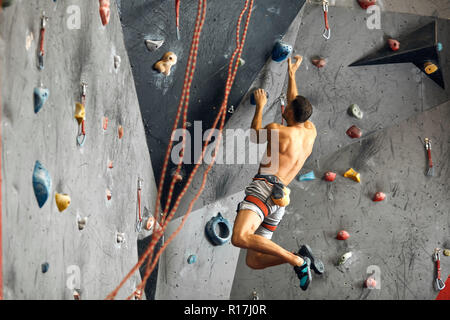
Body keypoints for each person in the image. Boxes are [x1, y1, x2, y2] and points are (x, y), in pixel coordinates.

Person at [231, 55, 324, 290]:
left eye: (287, 109)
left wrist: (261, 106)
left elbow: (255, 135)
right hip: (281, 200)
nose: (285, 108)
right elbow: (296, 101)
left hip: (265, 189)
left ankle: (297, 260)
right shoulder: (310, 131)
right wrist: (291, 75)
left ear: (290, 114)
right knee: (254, 260)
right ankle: (299, 257)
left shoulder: (277, 130)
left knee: (240, 237)